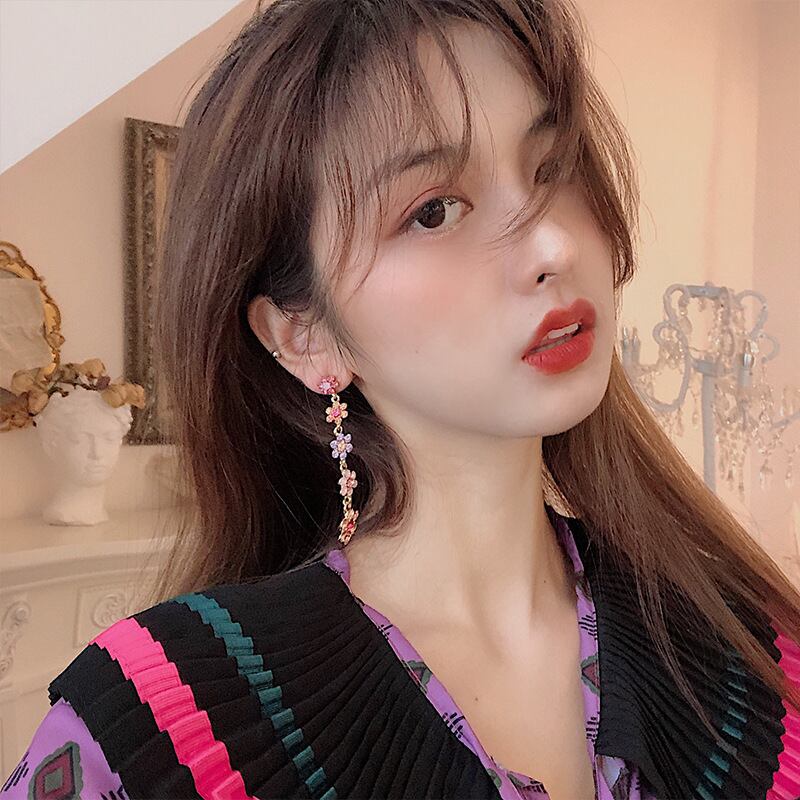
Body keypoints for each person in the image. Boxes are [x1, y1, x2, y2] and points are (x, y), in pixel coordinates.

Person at [3, 0, 800, 798]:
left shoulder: (750, 649)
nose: (555, 243)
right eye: (433, 211)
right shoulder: (151, 735)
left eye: (552, 168)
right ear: (304, 335)